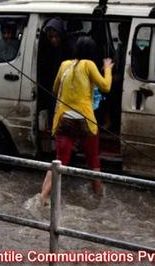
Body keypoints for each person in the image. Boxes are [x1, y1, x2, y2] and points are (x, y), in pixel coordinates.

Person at [40, 36, 113, 206]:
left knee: (59, 162)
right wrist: (107, 68)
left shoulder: (65, 65)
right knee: (94, 161)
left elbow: (54, 88)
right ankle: (99, 198)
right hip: (85, 121)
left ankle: (42, 199)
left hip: (64, 119)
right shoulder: (89, 65)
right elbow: (106, 87)